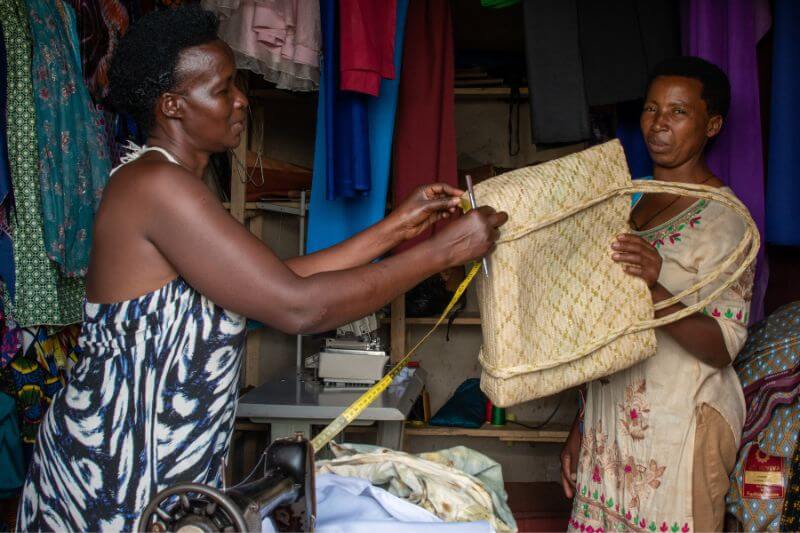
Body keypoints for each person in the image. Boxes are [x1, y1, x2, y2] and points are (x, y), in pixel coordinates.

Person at [16, 6, 507, 531]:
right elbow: (297, 306)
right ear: (173, 106)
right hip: (115, 476)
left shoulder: (169, 182)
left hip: (155, 469)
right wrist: (440, 254)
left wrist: (397, 227)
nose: (241, 99)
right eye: (223, 88)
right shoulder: (158, 188)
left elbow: (276, 278)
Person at [562, 56, 754, 533]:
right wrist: (582, 423)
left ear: (712, 125)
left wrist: (655, 285)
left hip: (680, 427)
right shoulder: (627, 199)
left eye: (678, 112)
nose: (659, 123)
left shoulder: (727, 220)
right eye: (651, 109)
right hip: (611, 426)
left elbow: (722, 345)